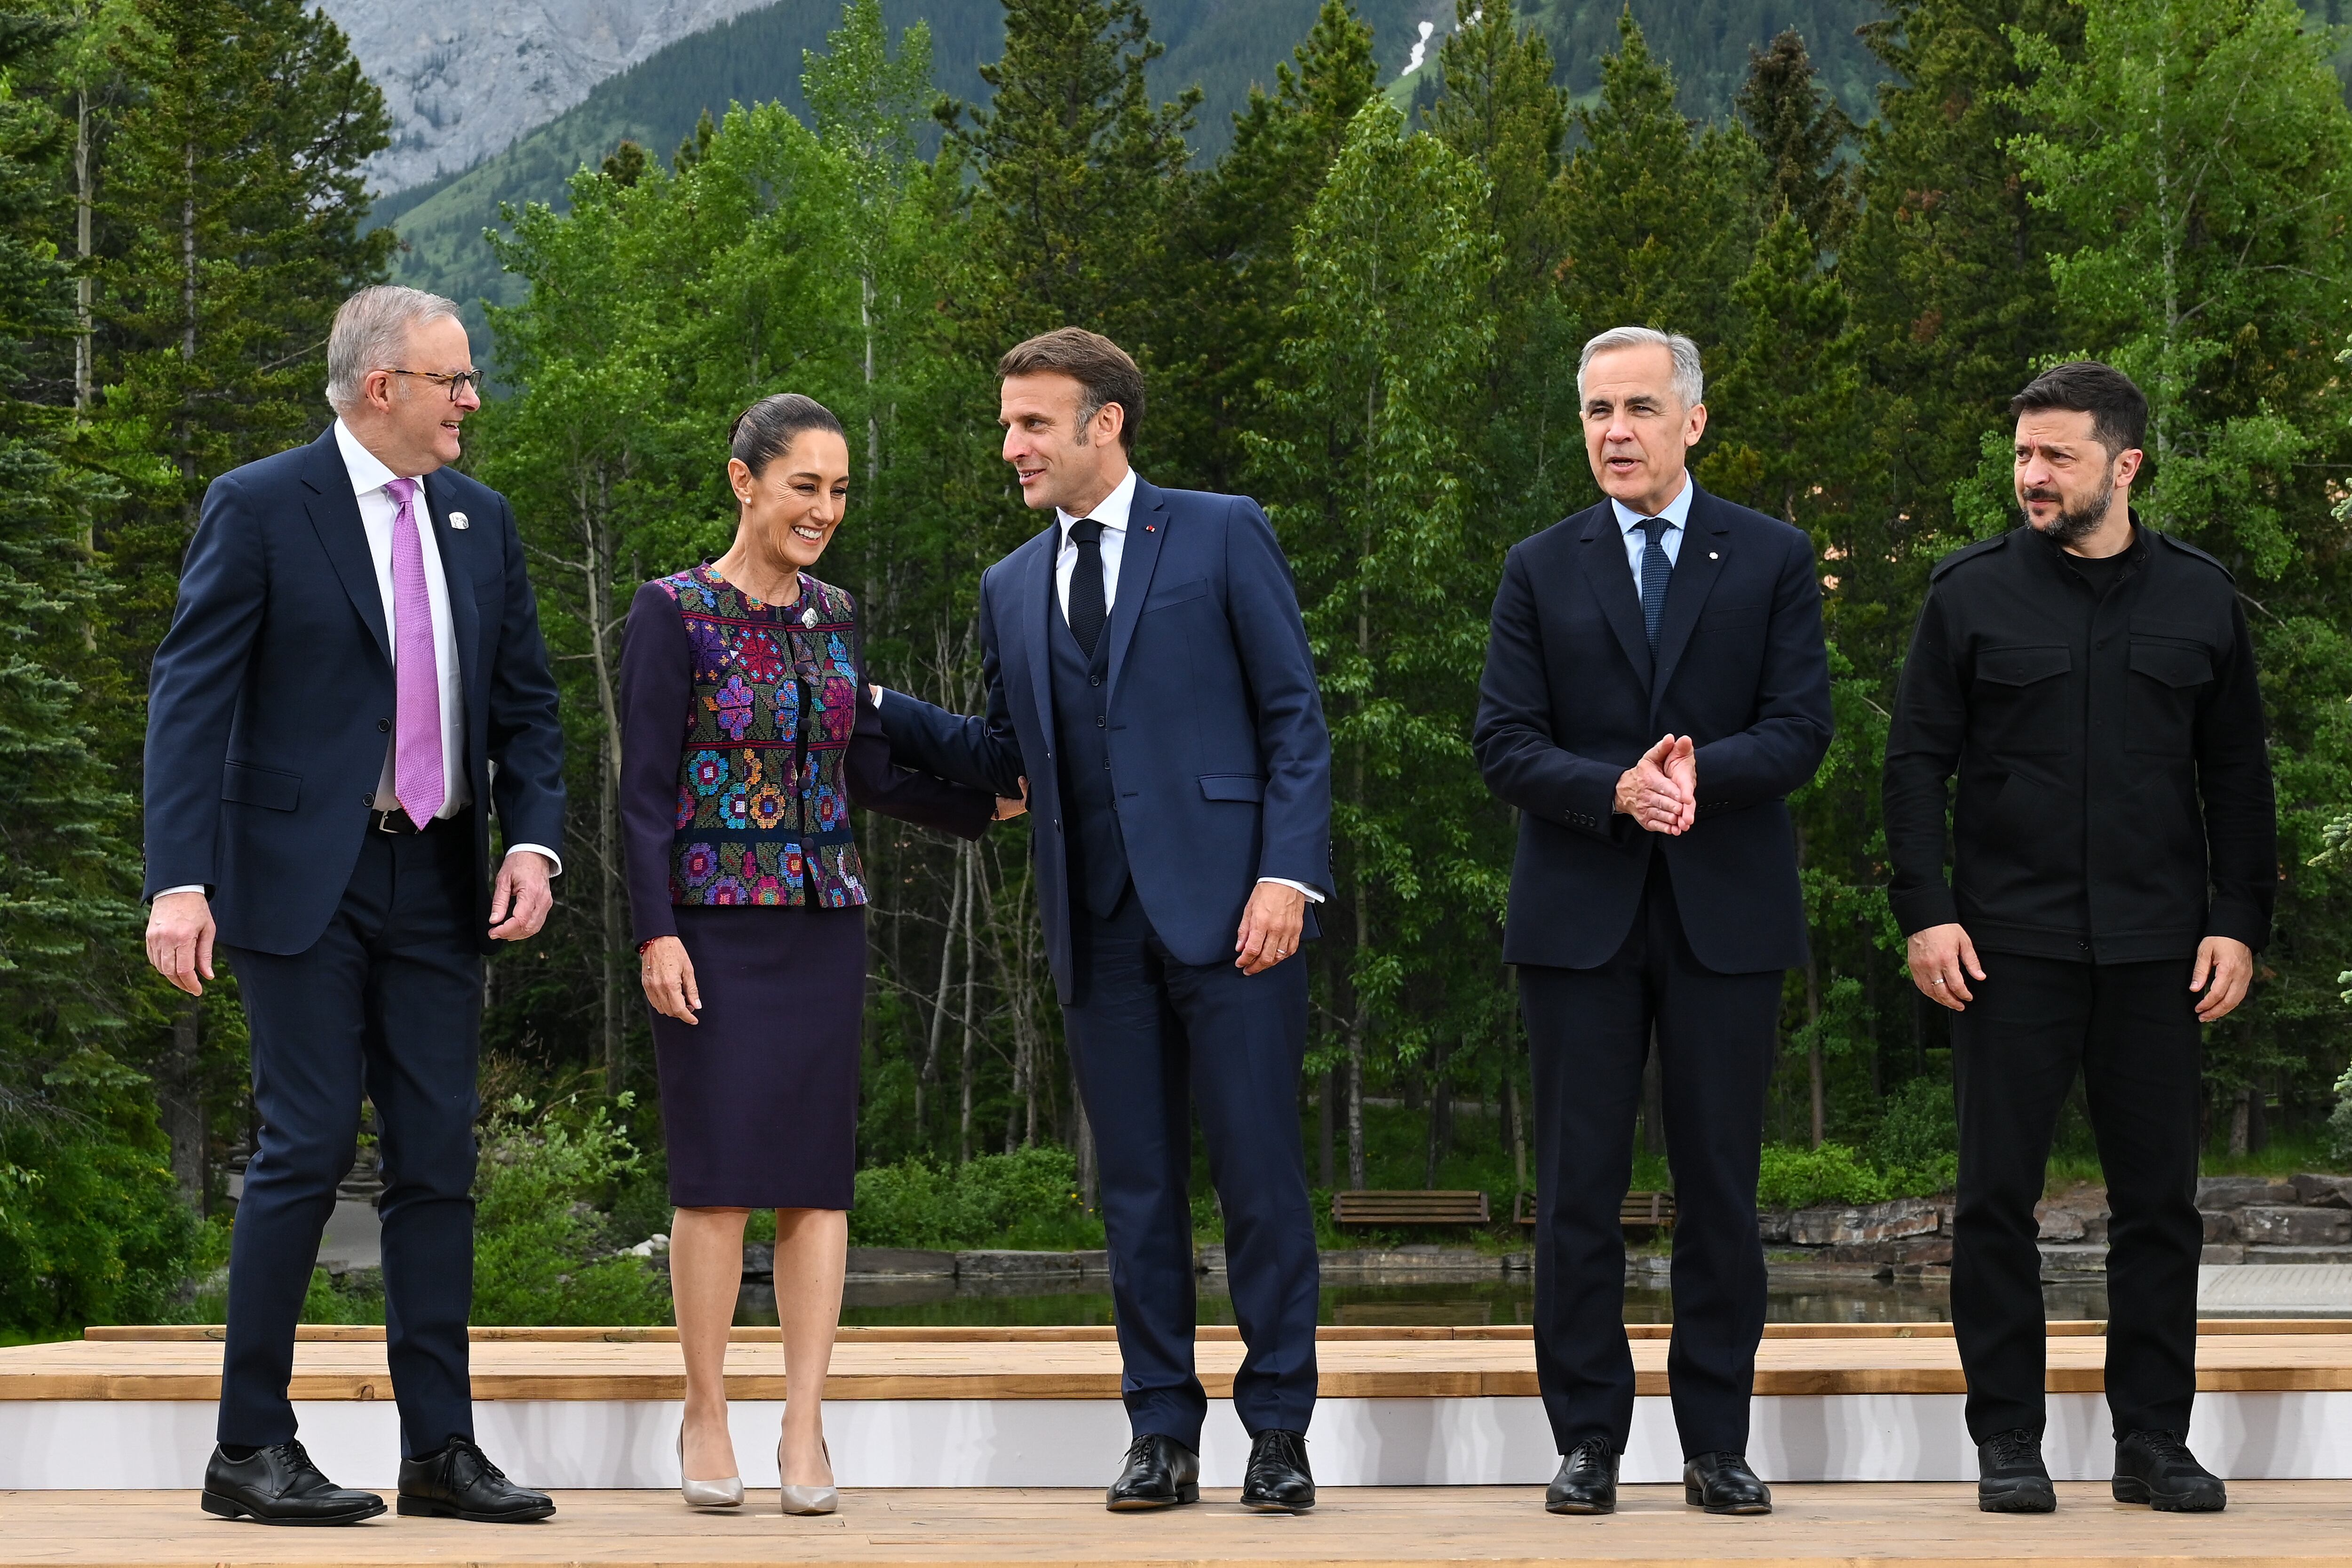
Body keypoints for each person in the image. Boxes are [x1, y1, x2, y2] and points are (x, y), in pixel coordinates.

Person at [874, 328, 1331, 1513]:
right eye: (1006, 423)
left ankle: (1277, 1431)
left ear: (1105, 422)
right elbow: (1003, 761)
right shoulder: (1009, 585)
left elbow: (1294, 719)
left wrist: (1287, 876)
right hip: (1095, 925)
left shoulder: (1224, 528)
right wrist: (874, 705)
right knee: (1135, 1192)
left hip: (1237, 916)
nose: (1010, 444)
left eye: (1032, 422)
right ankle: (1161, 1434)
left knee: (1261, 1183)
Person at [143, 286, 565, 1526]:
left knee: (439, 1158)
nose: (472, 401)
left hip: (439, 878)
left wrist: (534, 841)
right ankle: (249, 1446)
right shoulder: (263, 505)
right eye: (454, 380)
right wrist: (179, 876)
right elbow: (190, 696)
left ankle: (441, 1448)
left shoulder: (480, 520)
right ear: (382, 386)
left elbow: (529, 705)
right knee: (308, 1143)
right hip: (298, 880)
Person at [1883, 362, 2275, 1516]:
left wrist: (2238, 921)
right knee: (1993, 1200)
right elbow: (1914, 770)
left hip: (2163, 952)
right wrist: (1926, 909)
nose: (2031, 475)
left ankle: (2153, 1439)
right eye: (2021, 455)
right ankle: (2008, 1437)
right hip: (2005, 950)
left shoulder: (2201, 599)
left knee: (2159, 1204)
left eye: (2055, 455)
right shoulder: (1966, 596)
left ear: (2125, 464)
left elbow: (2237, 781)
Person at [618, 394, 1016, 1516]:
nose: (826, 510)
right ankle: (705, 1410)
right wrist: (655, 931)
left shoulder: (834, 614)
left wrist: (982, 808)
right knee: (715, 1180)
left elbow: (862, 766)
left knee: (814, 1181)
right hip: (708, 922)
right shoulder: (673, 612)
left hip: (822, 918)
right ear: (744, 481)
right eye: (807, 486)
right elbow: (643, 792)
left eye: (840, 491)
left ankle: (802, 1425)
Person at [1473, 326, 1832, 1518]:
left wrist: (1694, 774)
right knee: (1576, 1193)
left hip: (1725, 914)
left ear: (1693, 420)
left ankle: (1716, 1444)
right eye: (1593, 411)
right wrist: (1614, 788)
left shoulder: (1774, 554)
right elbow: (1505, 741)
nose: (1612, 431)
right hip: (1578, 917)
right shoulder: (1539, 563)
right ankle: (1586, 1441)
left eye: (1635, 407)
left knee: (1720, 1192)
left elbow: (1799, 728)